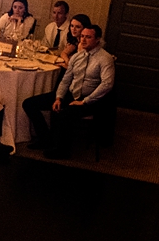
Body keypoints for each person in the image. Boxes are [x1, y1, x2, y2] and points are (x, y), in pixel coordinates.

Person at [22, 23, 114, 158]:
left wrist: (84, 101)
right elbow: (66, 80)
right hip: (71, 94)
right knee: (29, 104)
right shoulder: (77, 56)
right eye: (82, 36)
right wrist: (59, 97)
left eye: (88, 37)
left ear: (97, 39)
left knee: (65, 114)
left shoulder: (105, 59)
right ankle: (45, 138)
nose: (83, 40)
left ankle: (62, 150)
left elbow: (107, 84)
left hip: (90, 100)